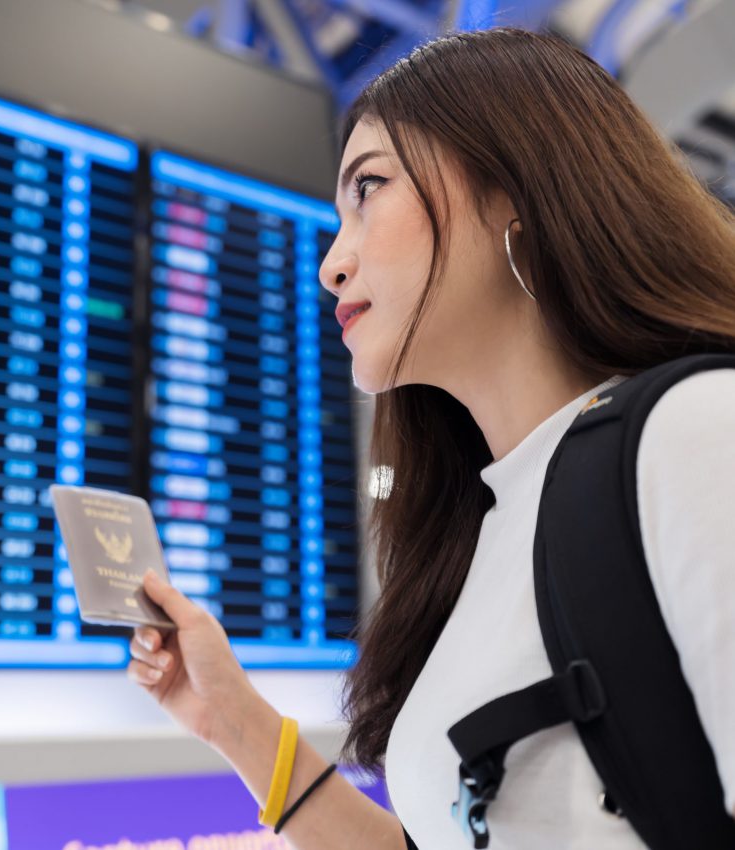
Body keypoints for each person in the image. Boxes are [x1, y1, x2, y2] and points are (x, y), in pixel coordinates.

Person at [127, 26, 735, 849]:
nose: (329, 265)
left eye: (368, 189)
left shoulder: (696, 433)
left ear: (515, 186)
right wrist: (230, 717)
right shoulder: (482, 533)